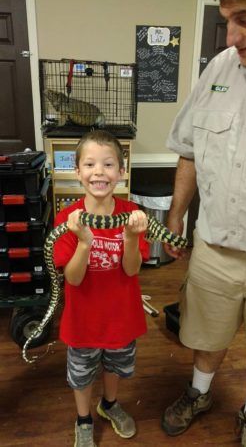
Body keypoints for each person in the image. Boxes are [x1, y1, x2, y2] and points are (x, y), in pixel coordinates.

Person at [161, 0, 246, 446]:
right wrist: (176, 216)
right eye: (227, 22)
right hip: (215, 245)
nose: (233, 38)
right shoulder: (219, 66)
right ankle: (199, 393)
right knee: (207, 331)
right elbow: (190, 149)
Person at [53, 130, 149, 447]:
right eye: (90, 164)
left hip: (121, 317)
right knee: (81, 375)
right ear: (78, 171)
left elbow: (132, 269)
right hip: (83, 322)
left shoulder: (132, 215)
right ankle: (83, 419)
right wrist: (84, 242)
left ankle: (108, 405)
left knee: (115, 366)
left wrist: (132, 238)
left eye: (108, 165)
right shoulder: (68, 220)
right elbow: (74, 278)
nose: (99, 172)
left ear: (121, 172)